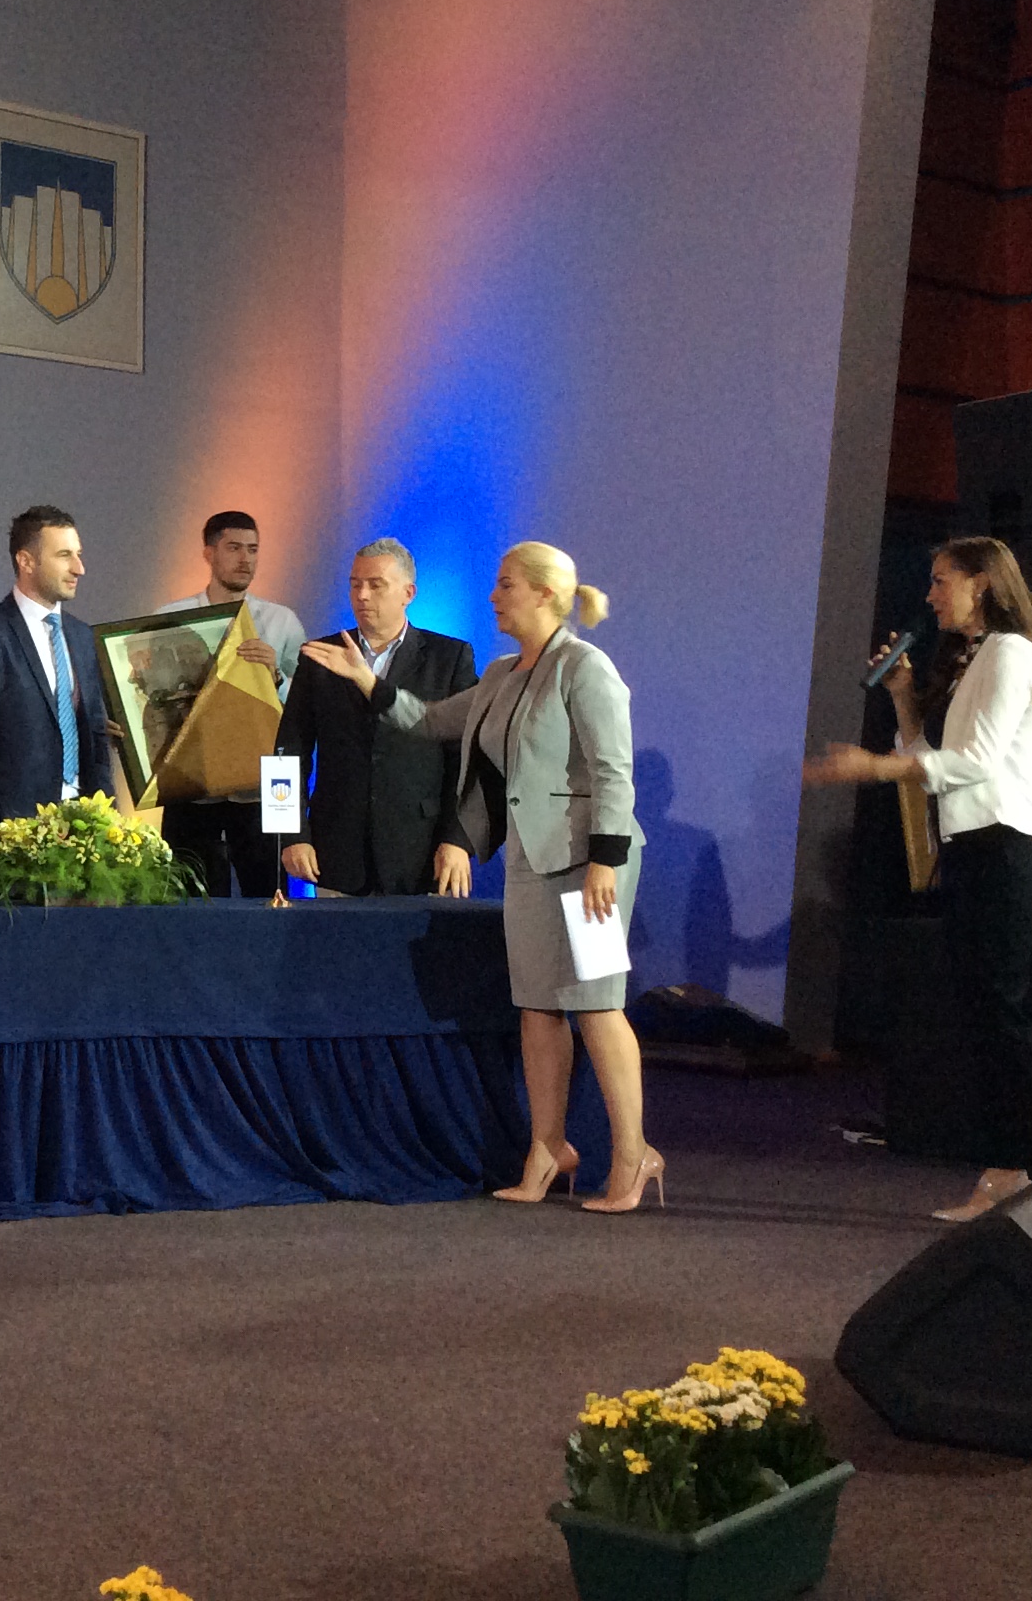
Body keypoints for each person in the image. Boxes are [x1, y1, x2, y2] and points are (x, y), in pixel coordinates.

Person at [305, 542, 656, 1212]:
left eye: (506, 585)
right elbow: (430, 721)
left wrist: (605, 861)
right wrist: (366, 682)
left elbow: (614, 772)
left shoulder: (585, 667)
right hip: (530, 860)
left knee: (596, 1005)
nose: (494, 597)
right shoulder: (501, 673)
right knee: (538, 1009)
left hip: (590, 865)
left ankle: (633, 1154)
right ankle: (548, 1148)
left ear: (545, 594)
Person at [807, 536, 1032, 1222]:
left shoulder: (1010, 653)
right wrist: (902, 698)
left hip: (1004, 848)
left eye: (941, 580)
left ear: (981, 583)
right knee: (985, 1015)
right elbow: (931, 761)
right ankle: (1014, 1170)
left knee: (1000, 1014)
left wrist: (872, 767)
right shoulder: (972, 657)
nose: (930, 595)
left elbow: (974, 762)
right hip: (974, 849)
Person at [276, 537, 479, 897]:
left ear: (408, 593)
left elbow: (467, 759)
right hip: (336, 851)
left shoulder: (448, 658)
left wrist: (458, 839)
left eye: (375, 585)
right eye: (355, 585)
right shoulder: (320, 656)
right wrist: (290, 834)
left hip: (422, 851)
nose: (362, 596)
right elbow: (287, 752)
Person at [153, 510, 307, 896]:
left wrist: (275, 676)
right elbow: (149, 698)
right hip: (192, 781)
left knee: (270, 892)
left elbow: (306, 704)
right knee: (190, 897)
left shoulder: (282, 621)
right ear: (208, 553)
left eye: (253, 550)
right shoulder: (171, 619)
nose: (246, 559)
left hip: (265, 782)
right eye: (234, 548)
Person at [0, 505, 114, 849]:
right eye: (64, 555)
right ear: (26, 561)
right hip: (10, 832)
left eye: (78, 554)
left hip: (82, 828)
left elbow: (95, 735)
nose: (79, 568)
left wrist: (108, 821)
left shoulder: (83, 637)